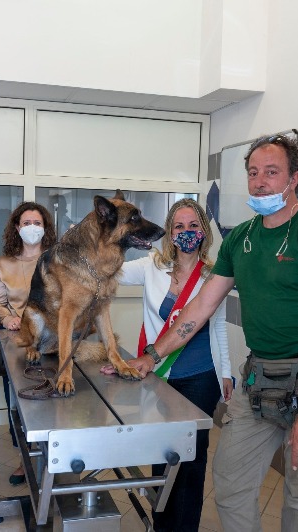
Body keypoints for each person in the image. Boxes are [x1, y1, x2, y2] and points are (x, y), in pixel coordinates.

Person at [117, 135, 298, 531]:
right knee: (230, 486)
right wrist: (152, 356)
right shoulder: (242, 239)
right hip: (259, 377)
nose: (260, 182)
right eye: (253, 173)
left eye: (271, 172)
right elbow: (200, 308)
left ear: (294, 178)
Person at [102, 198, 231, 531]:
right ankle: (161, 523)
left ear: (204, 232)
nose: (187, 232)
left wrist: (227, 372)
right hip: (159, 374)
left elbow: (218, 327)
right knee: (161, 453)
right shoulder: (151, 267)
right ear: (169, 233)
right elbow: (107, 271)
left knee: (191, 458)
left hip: (201, 376)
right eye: (179, 226)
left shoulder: (214, 275)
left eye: (193, 226)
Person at [0, 202, 56, 485]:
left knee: (54, 404)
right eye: (26, 223)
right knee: (18, 405)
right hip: (18, 344)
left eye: (37, 223)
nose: (32, 228)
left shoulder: (57, 260)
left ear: (45, 228)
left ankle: (54, 459)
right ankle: (25, 458)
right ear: (17, 228)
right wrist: (8, 319)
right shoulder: (4, 264)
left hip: (53, 343)